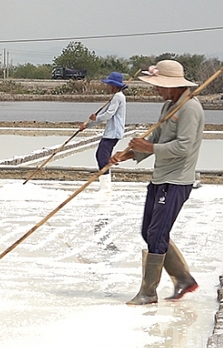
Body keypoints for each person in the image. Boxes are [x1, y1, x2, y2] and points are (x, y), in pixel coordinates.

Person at [110, 60, 203, 305]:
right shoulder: (169, 107)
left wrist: (149, 146)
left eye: (159, 86)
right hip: (160, 177)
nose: (157, 90)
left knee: (157, 233)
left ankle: (149, 292)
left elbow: (184, 147)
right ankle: (183, 279)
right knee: (148, 231)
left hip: (177, 179)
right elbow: (158, 138)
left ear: (173, 85)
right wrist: (129, 154)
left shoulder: (190, 109)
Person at [80, 72, 127, 193]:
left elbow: (108, 115)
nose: (108, 87)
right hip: (111, 132)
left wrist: (95, 118)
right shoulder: (115, 96)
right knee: (102, 156)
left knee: (102, 157)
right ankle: (105, 185)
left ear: (114, 85)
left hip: (113, 132)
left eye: (110, 85)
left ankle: (106, 187)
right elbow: (104, 115)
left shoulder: (118, 97)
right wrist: (87, 125)